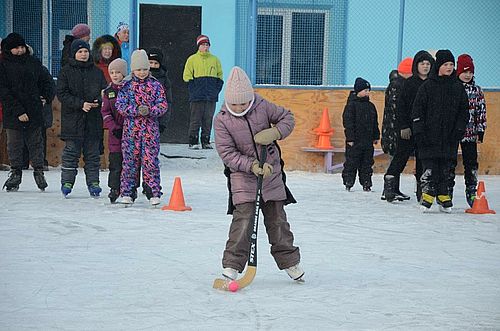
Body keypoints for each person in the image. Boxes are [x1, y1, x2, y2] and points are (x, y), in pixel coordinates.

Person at [214, 66, 303, 282]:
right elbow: (227, 153)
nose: (239, 107)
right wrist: (252, 165)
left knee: (278, 221)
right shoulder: (222, 119)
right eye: (234, 103)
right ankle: (232, 266)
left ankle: (290, 262)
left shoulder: (262, 106)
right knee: (243, 221)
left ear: (250, 98)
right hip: (242, 178)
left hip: (271, 175)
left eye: (244, 103)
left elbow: (287, 118)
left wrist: (275, 132)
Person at [411, 49, 469, 212]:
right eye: (446, 64)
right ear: (439, 66)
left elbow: (463, 111)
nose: (449, 67)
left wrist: (459, 130)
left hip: (449, 136)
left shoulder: (457, 87)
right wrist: (419, 131)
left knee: (446, 167)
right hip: (429, 136)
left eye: (451, 64)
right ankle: (427, 195)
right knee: (429, 167)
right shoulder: (428, 86)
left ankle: (444, 195)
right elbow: (418, 110)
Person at [0, 33, 55, 191]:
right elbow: (4, 92)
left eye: (21, 47)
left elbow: (47, 81)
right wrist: (18, 111)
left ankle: (39, 172)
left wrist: (47, 96)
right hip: (13, 113)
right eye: (16, 48)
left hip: (34, 111)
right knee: (14, 145)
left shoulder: (33, 63)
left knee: (36, 143)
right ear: (8, 49)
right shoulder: (3, 66)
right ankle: (15, 173)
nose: (19, 50)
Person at [115, 49, 168, 206]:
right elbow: (120, 105)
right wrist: (136, 110)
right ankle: (128, 192)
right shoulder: (126, 86)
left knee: (150, 161)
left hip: (150, 131)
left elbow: (163, 104)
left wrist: (151, 111)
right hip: (131, 132)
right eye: (139, 69)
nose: (142, 72)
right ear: (133, 70)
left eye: (145, 69)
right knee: (130, 162)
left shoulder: (155, 85)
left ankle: (153, 192)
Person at [57, 39, 108, 197]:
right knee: (71, 153)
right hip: (73, 120)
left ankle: (94, 183)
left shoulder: (97, 72)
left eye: (86, 51)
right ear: (74, 54)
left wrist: (98, 101)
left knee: (92, 154)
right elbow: (62, 94)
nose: (83, 54)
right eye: (80, 52)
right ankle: (67, 182)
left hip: (93, 120)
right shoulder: (66, 71)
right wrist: (81, 104)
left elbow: (104, 92)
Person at [383, 50, 434, 202]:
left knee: (422, 158)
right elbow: (401, 107)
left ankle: (421, 189)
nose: (425, 67)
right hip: (409, 128)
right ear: (416, 66)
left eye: (428, 64)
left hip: (426, 129)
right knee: (401, 155)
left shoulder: (433, 83)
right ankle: (390, 186)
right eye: (422, 64)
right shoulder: (409, 84)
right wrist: (403, 126)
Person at [453, 54, 487, 207]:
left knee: (471, 163)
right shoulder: (452, 88)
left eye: (470, 72)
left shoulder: (477, 90)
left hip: (470, 133)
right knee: (449, 162)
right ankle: (447, 189)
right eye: (464, 72)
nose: (467, 75)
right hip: (453, 133)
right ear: (458, 71)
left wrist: (480, 130)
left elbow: (481, 112)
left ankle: (472, 190)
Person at [183, 34, 223, 149]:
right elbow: (186, 76)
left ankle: (206, 141)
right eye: (203, 45)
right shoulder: (192, 59)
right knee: (195, 119)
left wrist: (216, 90)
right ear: (198, 46)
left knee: (208, 119)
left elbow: (220, 76)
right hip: (197, 96)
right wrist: (194, 90)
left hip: (211, 96)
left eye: (207, 45)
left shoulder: (215, 60)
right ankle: (193, 141)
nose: (205, 47)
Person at [341, 77, 380, 192]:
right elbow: (348, 123)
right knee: (351, 162)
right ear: (358, 91)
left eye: (368, 90)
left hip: (367, 141)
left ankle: (366, 182)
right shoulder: (351, 106)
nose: (367, 93)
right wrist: (350, 138)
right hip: (355, 141)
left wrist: (375, 136)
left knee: (367, 163)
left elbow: (375, 122)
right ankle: (348, 181)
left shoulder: (371, 106)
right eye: (365, 90)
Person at [101, 58, 128, 203]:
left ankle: (130, 189)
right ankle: (114, 188)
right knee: (115, 164)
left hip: (130, 133)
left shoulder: (130, 89)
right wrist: (113, 127)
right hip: (115, 135)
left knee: (130, 164)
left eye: (118, 72)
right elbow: (105, 112)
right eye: (112, 72)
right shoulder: (108, 92)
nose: (115, 75)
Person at [381, 58, 412, 158]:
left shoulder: (395, 84)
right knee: (397, 157)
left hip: (392, 129)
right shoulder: (399, 86)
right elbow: (397, 109)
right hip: (396, 130)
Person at [147, 48, 173, 134]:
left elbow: (168, 102)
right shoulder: (141, 77)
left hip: (157, 119)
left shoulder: (164, 80)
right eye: (150, 63)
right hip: (140, 120)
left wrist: (163, 123)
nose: (153, 66)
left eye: (156, 63)